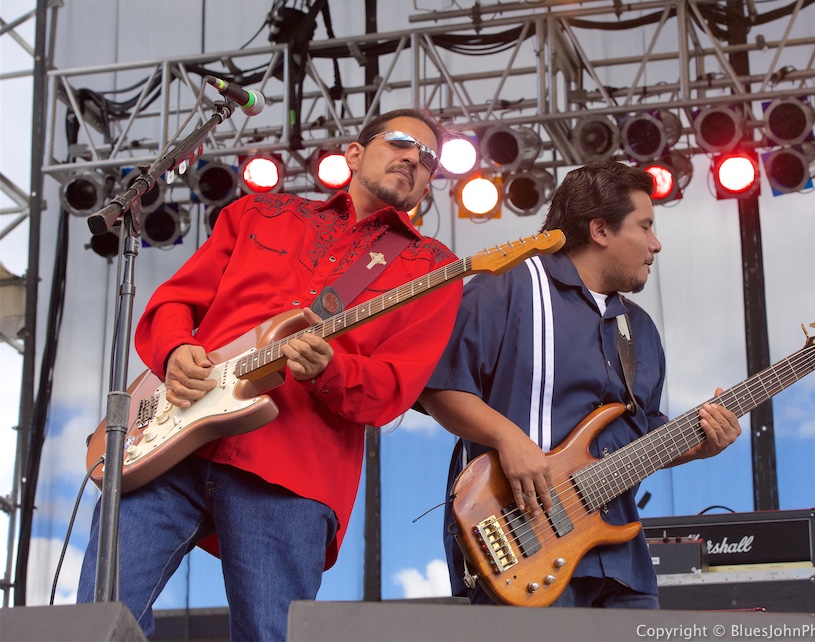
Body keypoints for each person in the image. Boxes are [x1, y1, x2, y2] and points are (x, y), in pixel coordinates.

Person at [78, 108, 462, 639]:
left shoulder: (431, 269)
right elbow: (174, 302)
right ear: (353, 153)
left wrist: (332, 368)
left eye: (428, 159)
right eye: (400, 142)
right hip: (169, 439)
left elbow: (393, 389)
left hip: (292, 472)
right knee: (98, 619)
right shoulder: (260, 212)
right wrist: (174, 352)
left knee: (267, 635)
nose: (414, 159)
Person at [420, 160, 742, 609]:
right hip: (523, 548)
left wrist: (700, 445)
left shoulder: (640, 329)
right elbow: (437, 385)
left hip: (622, 563)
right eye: (645, 226)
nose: (656, 244)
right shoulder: (509, 288)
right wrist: (507, 437)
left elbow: (638, 439)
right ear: (600, 230)